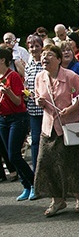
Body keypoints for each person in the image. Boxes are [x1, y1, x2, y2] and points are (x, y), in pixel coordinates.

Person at [33, 45, 79, 216]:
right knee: (45, 164)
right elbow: (36, 96)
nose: (44, 57)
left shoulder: (71, 76)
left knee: (72, 164)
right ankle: (57, 201)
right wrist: (39, 102)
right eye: (43, 55)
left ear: (58, 59)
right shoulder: (39, 77)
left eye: (49, 54)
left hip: (68, 127)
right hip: (48, 127)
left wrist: (71, 109)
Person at [0, 45, 35, 200]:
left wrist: (8, 92)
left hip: (18, 117)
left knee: (14, 155)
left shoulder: (13, 76)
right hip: (3, 119)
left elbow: (18, 101)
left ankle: (33, 183)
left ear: (3, 60)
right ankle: (26, 186)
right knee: (9, 155)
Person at [24, 34, 44, 172]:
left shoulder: (45, 64)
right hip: (33, 109)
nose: (34, 49)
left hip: (46, 108)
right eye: (31, 46)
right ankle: (37, 171)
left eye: (37, 46)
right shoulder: (28, 65)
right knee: (35, 141)